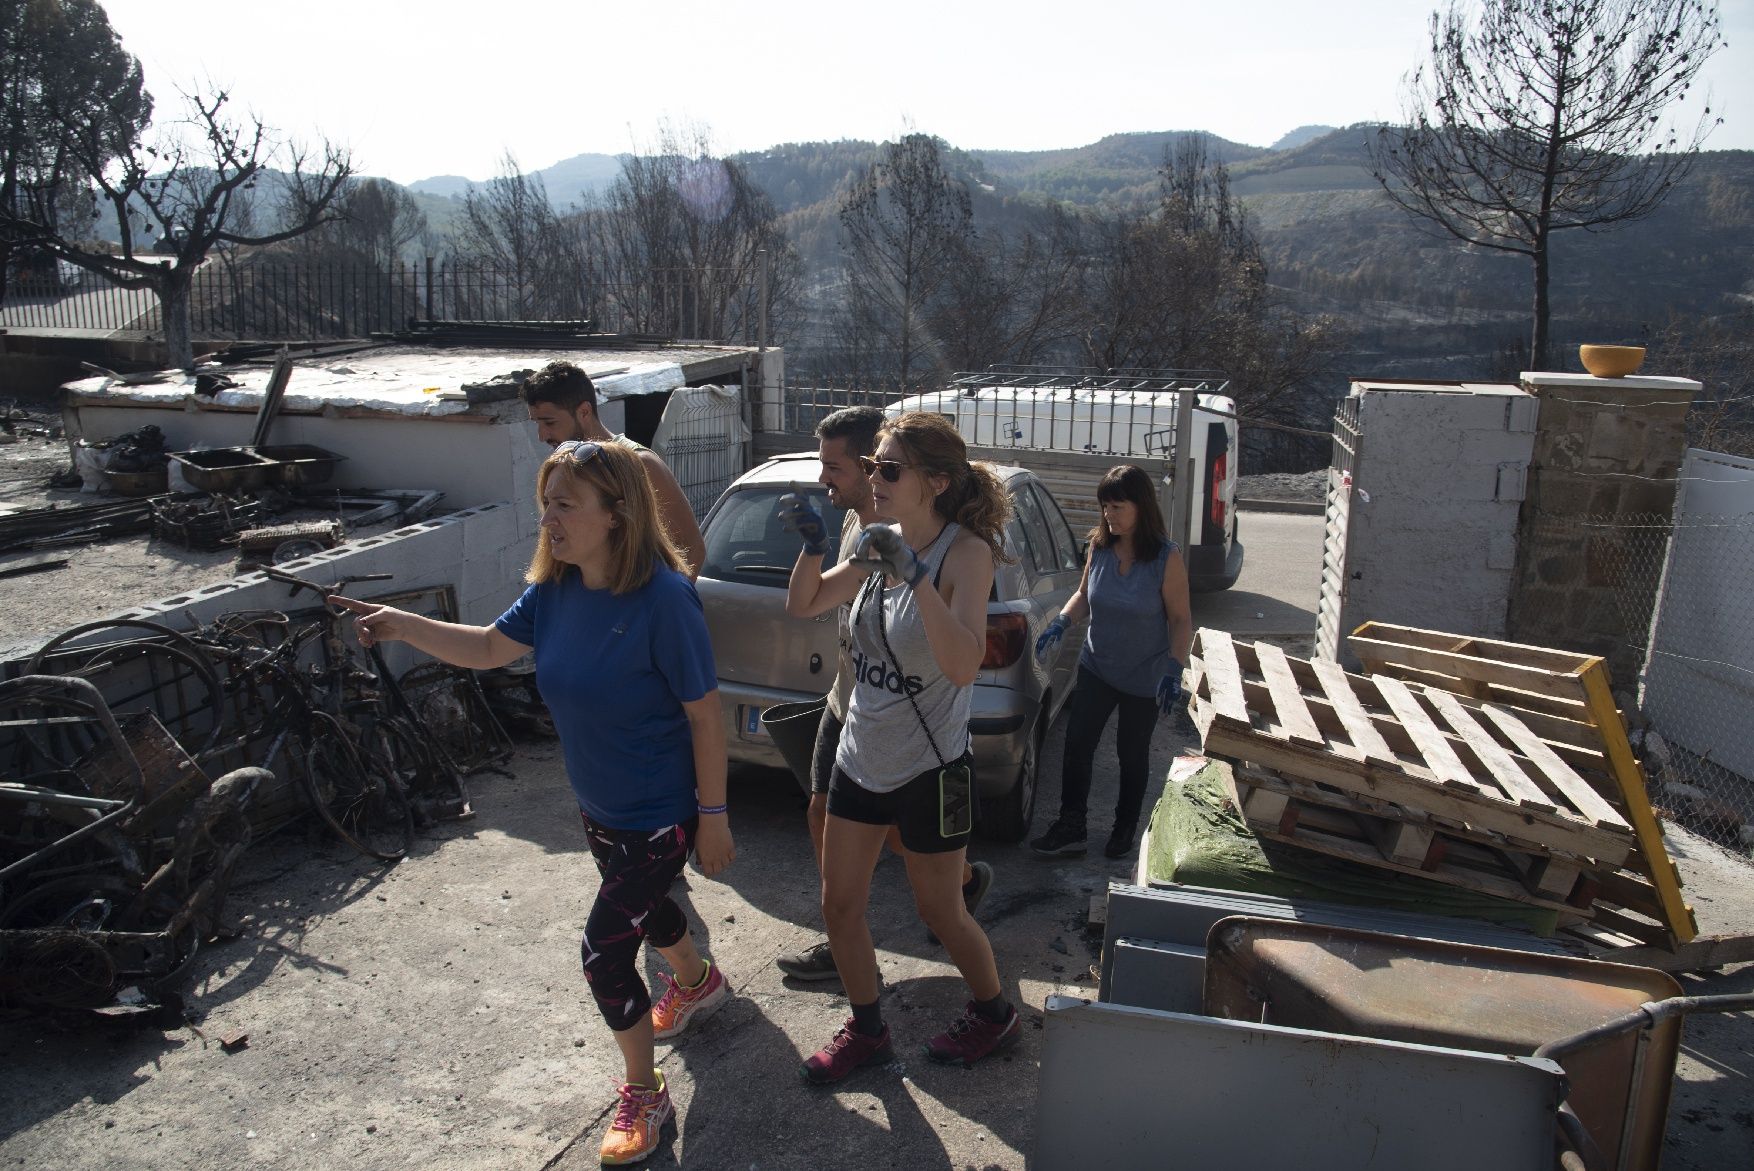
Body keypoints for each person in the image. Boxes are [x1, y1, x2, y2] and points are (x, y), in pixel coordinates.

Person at [332, 439, 734, 1166]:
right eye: (545, 502)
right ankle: (699, 979)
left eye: (564, 504)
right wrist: (402, 625)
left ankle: (644, 1090)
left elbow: (706, 715)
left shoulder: (664, 600)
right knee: (640, 907)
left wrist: (713, 817)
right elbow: (488, 647)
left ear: (616, 514)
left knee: (603, 955)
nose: (548, 518)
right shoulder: (556, 590)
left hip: (658, 811)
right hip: (599, 803)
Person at [778, 411, 1020, 1084]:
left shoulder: (964, 554)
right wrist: (812, 545)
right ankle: (868, 1029)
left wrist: (914, 575)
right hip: (863, 754)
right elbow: (807, 603)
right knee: (840, 904)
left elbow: (965, 662)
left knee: (940, 910)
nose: (873, 478)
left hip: (930, 767)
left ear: (935, 482)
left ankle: (994, 1012)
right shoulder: (873, 536)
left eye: (889, 469)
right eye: (874, 466)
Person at [1030, 464, 1194, 860]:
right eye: (1105, 506)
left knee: (1131, 754)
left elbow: (1180, 619)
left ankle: (1124, 830)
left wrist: (1174, 668)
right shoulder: (1100, 547)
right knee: (1077, 745)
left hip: (1145, 676)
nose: (1109, 515)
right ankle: (1072, 826)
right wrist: (1062, 621)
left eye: (1118, 507)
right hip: (1097, 666)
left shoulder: (1165, 558)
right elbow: (1085, 595)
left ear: (1141, 506)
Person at [520, 360, 707, 578]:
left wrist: (662, 608)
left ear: (584, 411)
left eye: (550, 423)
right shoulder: (563, 467)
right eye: (537, 424)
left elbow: (692, 549)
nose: (542, 436)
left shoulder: (641, 464)